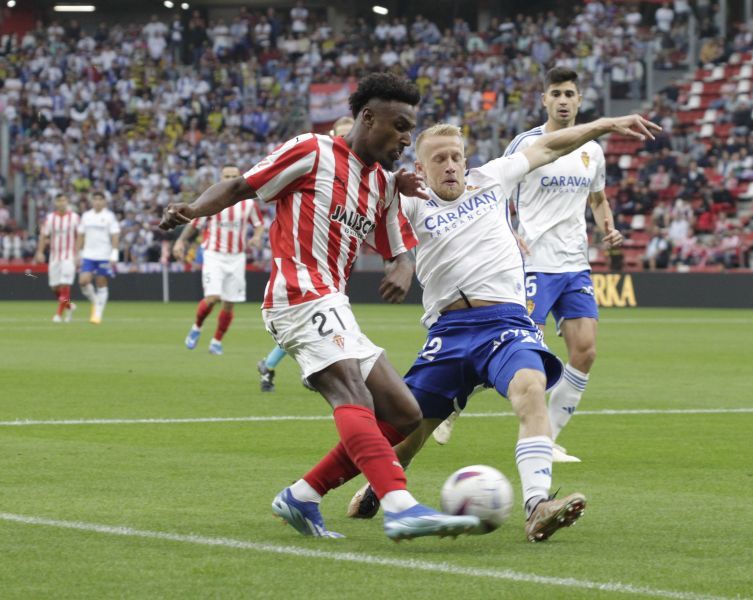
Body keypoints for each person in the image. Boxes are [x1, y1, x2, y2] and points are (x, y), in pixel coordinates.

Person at [159, 73, 480, 541]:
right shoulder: (312, 150)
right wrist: (192, 208)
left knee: (405, 413)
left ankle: (303, 496)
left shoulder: (383, 184)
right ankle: (400, 504)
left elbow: (398, 247)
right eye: (400, 125)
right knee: (355, 394)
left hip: (332, 301)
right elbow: (241, 188)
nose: (407, 138)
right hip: (296, 295)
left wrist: (403, 267)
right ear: (367, 117)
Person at [311, 114, 659, 542]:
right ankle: (359, 486)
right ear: (420, 169)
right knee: (408, 428)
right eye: (439, 159)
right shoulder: (407, 201)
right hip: (449, 332)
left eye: (456, 156)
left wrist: (604, 124)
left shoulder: (492, 179)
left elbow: (550, 147)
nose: (451, 165)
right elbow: (346, 204)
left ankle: (537, 505)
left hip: (506, 323)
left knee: (530, 385)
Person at [431, 67, 625, 463]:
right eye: (556, 93)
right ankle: (453, 400)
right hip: (533, 262)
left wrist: (609, 226)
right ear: (544, 100)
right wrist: (509, 233)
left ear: (580, 100)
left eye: (570, 93)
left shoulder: (593, 150)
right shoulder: (527, 143)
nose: (564, 100)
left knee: (585, 351)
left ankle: (547, 437)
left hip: (575, 264)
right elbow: (496, 191)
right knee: (520, 351)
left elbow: (598, 198)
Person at [258, 115, 355, 390]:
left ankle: (272, 364)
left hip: (336, 265)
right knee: (317, 320)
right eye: (344, 135)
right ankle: (313, 367)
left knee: (315, 322)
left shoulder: (359, 179)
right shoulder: (316, 164)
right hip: (303, 265)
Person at [174, 165, 265, 355]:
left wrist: (257, 236)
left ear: (240, 177)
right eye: (227, 176)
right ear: (220, 178)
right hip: (214, 255)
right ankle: (197, 328)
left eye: (234, 176)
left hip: (237, 257)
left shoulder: (248, 204)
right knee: (213, 298)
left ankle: (216, 341)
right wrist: (180, 241)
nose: (230, 179)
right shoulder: (212, 201)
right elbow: (194, 225)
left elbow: (259, 225)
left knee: (230, 302)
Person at [77, 191, 121, 324]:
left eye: (100, 199)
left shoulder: (109, 216)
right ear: (92, 201)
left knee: (101, 282)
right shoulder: (86, 216)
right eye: (95, 199)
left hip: (103, 255)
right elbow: (80, 235)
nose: (97, 202)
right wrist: (78, 253)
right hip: (88, 255)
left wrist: (114, 253)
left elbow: (115, 235)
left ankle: (98, 314)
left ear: (104, 202)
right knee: (83, 281)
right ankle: (96, 303)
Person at [35, 194, 80, 322]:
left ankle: (58, 315)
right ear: (55, 203)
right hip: (55, 256)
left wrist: (78, 254)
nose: (62, 203)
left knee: (65, 283)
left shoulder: (75, 218)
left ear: (67, 201)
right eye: (59, 200)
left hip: (69, 256)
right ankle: (69, 306)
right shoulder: (50, 218)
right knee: (55, 287)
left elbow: (81, 236)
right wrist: (40, 252)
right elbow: (43, 236)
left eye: (64, 200)